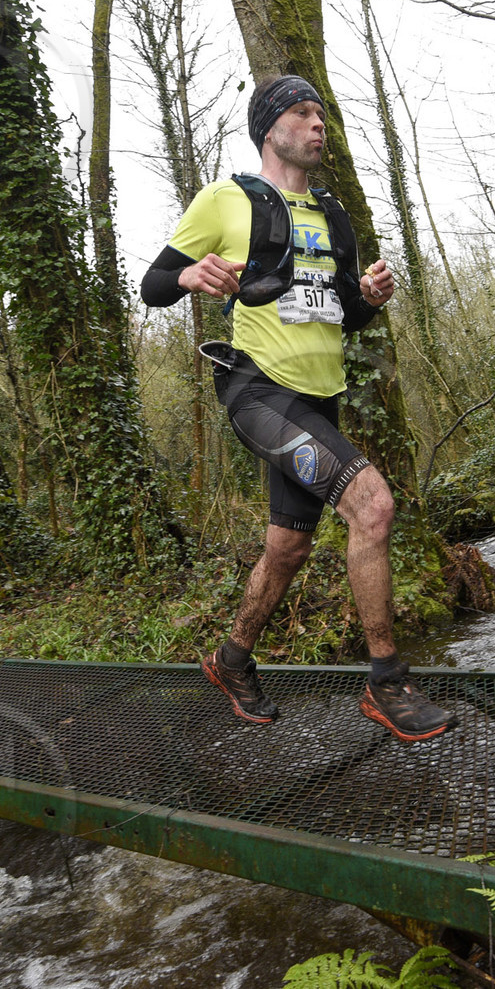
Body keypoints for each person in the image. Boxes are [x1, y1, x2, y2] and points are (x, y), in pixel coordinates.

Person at [140, 75, 457, 742]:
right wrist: (191, 273)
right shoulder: (224, 200)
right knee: (372, 506)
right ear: (269, 127)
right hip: (258, 390)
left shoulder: (333, 215)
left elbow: (347, 314)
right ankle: (386, 682)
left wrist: (370, 296)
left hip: (319, 400)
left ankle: (231, 661)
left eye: (322, 116)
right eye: (304, 113)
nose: (319, 125)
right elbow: (154, 284)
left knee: (288, 547)